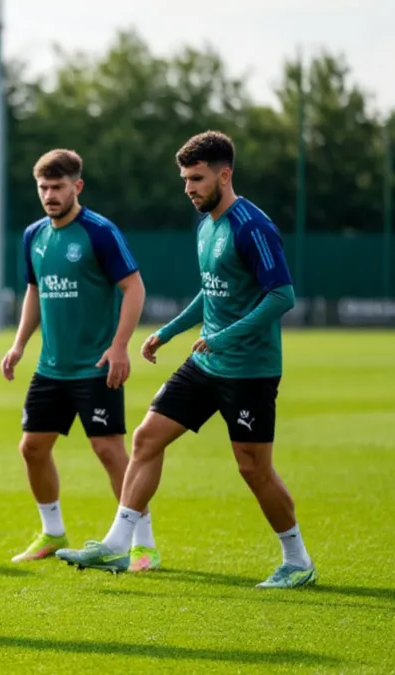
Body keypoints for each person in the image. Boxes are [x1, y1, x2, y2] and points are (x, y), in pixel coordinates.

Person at [56, 130, 316, 588]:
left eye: (196, 178)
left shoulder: (252, 226)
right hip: (206, 363)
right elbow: (212, 292)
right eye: (184, 179)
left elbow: (282, 296)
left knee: (253, 469)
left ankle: (297, 561)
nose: (189, 188)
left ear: (225, 174)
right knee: (146, 438)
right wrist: (166, 332)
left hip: (249, 370)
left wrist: (225, 337)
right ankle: (119, 544)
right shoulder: (206, 225)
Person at [1, 149, 157, 571]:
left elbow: (134, 287)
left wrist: (120, 345)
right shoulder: (33, 235)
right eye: (43, 188)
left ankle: (143, 544)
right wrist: (19, 345)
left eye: (58, 187)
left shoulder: (100, 232)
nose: (50, 195)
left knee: (108, 450)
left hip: (96, 365)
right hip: (51, 367)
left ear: (77, 186)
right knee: (32, 448)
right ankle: (52, 533)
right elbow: (34, 292)